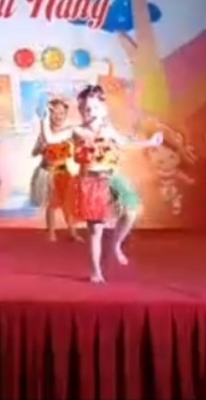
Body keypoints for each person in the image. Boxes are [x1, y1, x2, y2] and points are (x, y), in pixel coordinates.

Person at [71, 85, 162, 283]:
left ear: (103, 110)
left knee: (131, 210)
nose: (89, 112)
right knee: (96, 230)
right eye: (85, 109)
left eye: (94, 108)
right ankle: (96, 271)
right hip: (91, 181)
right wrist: (44, 123)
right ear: (80, 111)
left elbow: (124, 142)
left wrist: (149, 143)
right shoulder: (78, 131)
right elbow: (55, 137)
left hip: (112, 176)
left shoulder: (108, 129)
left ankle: (116, 244)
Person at [30, 97, 82, 242]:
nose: (58, 116)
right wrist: (41, 148)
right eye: (54, 113)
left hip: (63, 173)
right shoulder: (44, 134)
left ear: (66, 115)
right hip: (47, 173)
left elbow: (78, 149)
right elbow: (33, 153)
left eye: (61, 113)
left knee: (67, 204)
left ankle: (73, 232)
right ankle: (51, 233)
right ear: (48, 114)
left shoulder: (69, 133)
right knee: (51, 204)